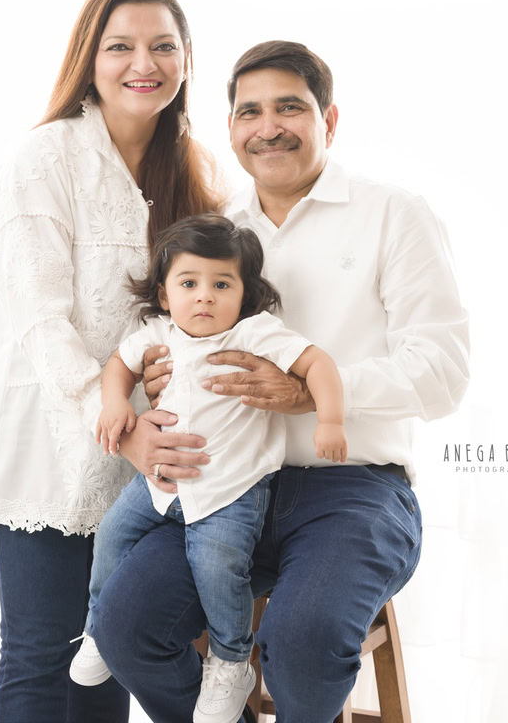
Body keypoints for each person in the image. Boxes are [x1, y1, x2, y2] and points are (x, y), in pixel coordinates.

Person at [92, 41, 471, 722]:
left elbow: (444, 373)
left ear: (329, 120)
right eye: (250, 112)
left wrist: (313, 395)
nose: (269, 127)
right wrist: (153, 389)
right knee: (123, 627)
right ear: (231, 128)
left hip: (353, 489)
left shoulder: (393, 214)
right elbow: (160, 351)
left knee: (302, 641)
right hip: (223, 483)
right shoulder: (215, 236)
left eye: (290, 108)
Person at [0, 0, 219, 723]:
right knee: (40, 653)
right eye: (120, 47)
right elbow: (40, 322)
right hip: (51, 448)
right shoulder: (43, 159)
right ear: (89, 58)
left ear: (186, 60)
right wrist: (118, 424)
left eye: (163, 46)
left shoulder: (196, 169)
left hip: (147, 461)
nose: (143, 63)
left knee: (105, 658)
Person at [68, 214, 346, 723]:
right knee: (110, 536)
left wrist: (329, 418)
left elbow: (318, 364)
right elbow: (119, 366)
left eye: (222, 284)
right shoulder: (158, 333)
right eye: (188, 283)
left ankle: (231, 661)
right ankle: (95, 627)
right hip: (158, 484)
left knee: (218, 569)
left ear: (245, 293)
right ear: (164, 292)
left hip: (229, 492)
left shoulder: (254, 334)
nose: (204, 297)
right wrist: (115, 403)